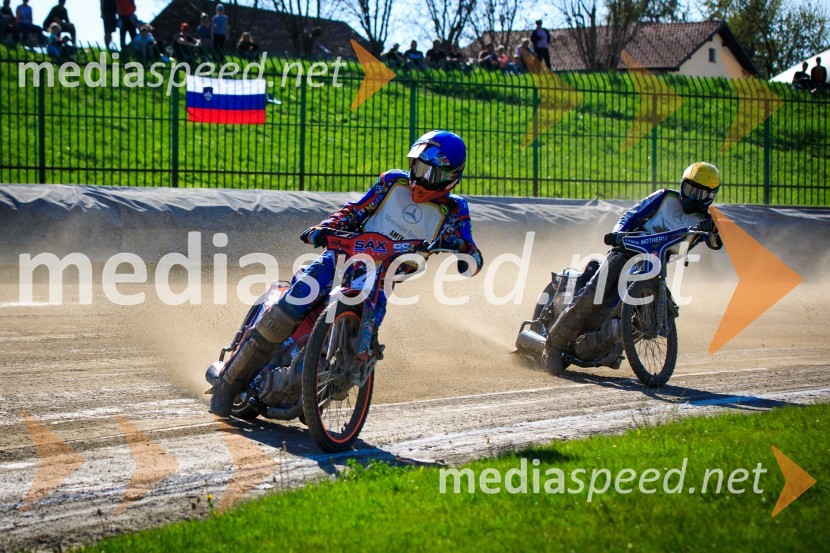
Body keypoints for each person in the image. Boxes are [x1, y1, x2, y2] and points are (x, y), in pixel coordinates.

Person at [210, 130, 484, 417]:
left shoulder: (455, 210)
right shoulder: (393, 182)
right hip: (342, 256)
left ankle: (318, 384)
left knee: (360, 343)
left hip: (381, 279)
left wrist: (462, 250)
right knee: (290, 305)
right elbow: (354, 211)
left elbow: (473, 255)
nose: (420, 179)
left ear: (450, 177)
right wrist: (325, 227)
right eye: (418, 168)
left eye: (431, 173)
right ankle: (227, 385)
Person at [543, 162, 723, 373]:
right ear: (682, 185)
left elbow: (715, 243)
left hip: (655, 264)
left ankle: (609, 344)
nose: (693, 197)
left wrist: (712, 230)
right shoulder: (664, 197)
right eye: (690, 189)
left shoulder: (706, 220)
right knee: (593, 294)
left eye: (700, 194)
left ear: (711, 195)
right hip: (627, 250)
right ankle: (552, 347)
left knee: (650, 311)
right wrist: (618, 233)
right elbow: (632, 214)